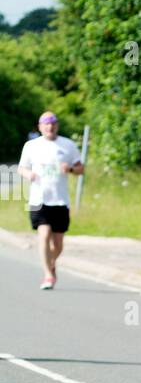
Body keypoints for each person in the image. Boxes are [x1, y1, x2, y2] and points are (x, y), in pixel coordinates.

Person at [17, 111, 84, 290]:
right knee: (44, 235)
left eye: (53, 123)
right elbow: (21, 168)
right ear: (40, 127)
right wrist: (28, 174)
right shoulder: (31, 146)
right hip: (39, 199)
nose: (49, 126)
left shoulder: (67, 145)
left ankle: (51, 261)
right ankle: (48, 275)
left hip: (60, 201)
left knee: (58, 244)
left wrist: (70, 168)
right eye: (45, 123)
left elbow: (80, 169)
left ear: (57, 126)